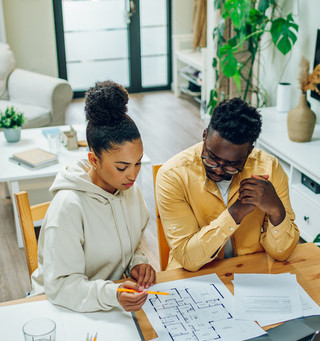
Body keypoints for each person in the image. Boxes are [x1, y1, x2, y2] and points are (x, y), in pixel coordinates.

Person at [30, 81, 155, 312]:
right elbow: (59, 286)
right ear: (93, 160)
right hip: (60, 308)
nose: (133, 175)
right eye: (122, 167)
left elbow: (132, 242)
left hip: (108, 303)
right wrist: (112, 294)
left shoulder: (129, 190)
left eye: (137, 163)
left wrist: (138, 263)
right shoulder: (68, 206)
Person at [155, 97, 300, 272]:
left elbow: (282, 253)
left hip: (249, 273)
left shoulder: (270, 168)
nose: (218, 170)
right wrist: (235, 213)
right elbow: (188, 258)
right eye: (212, 158)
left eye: (232, 165)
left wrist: (277, 210)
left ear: (249, 152)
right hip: (194, 277)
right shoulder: (173, 175)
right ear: (204, 137)